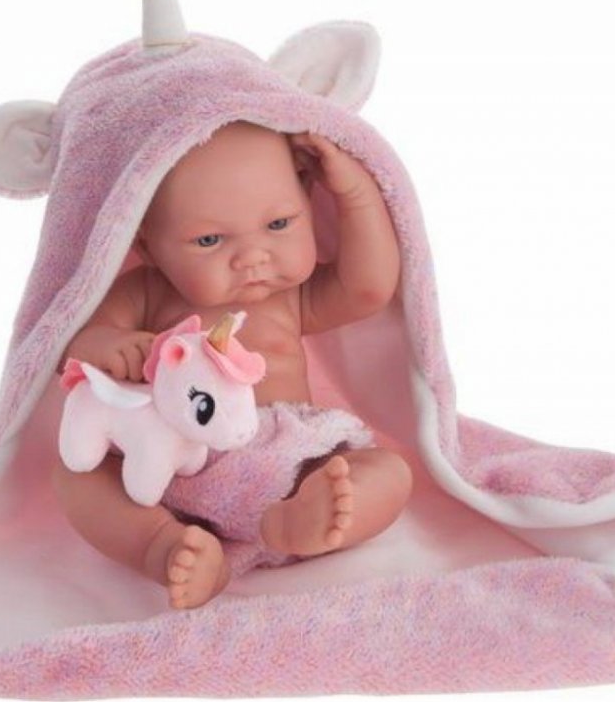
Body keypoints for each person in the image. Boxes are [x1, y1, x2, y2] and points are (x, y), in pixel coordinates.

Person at [52, 120, 413, 609]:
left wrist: (355, 193)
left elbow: (369, 288)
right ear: (146, 244)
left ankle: (305, 522)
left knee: (388, 471)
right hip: (172, 464)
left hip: (291, 466)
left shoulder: (293, 296)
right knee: (79, 474)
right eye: (209, 240)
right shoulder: (144, 292)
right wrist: (111, 345)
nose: (252, 257)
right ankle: (165, 546)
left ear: (308, 201)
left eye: (279, 225)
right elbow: (74, 351)